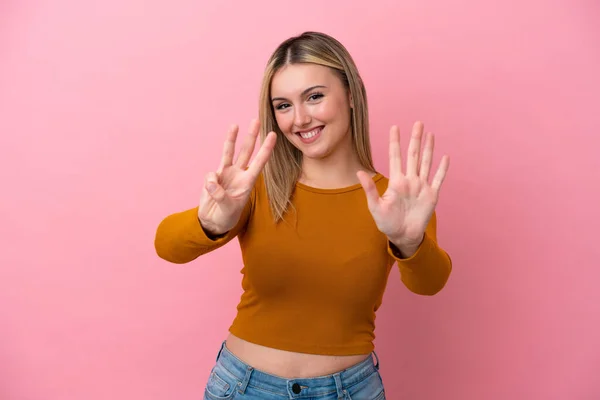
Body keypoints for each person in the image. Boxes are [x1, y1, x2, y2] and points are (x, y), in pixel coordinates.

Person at [154, 31, 452, 400]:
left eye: (314, 97)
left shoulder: (396, 201)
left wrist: (409, 243)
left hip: (350, 391)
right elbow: (166, 245)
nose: (299, 119)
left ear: (351, 94)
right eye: (283, 105)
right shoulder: (256, 188)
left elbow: (430, 283)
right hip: (245, 388)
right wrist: (210, 223)